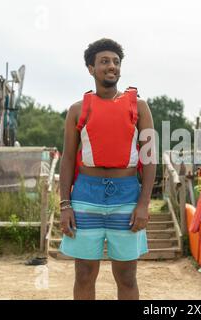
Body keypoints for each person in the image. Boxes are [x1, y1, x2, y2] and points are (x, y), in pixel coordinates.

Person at [59, 38, 156, 300]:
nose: (111, 66)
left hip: (126, 197)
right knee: (84, 274)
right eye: (104, 61)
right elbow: (67, 159)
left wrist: (144, 203)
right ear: (91, 68)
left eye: (116, 61)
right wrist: (65, 205)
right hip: (85, 196)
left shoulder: (140, 106)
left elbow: (149, 158)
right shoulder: (77, 110)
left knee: (126, 276)